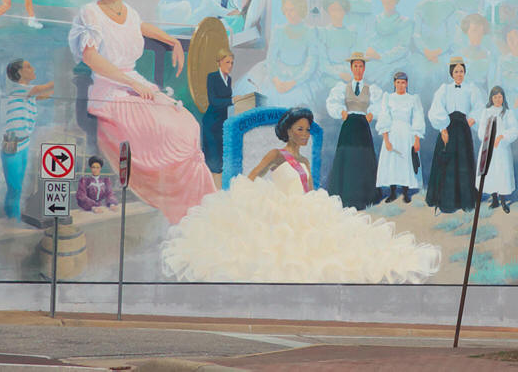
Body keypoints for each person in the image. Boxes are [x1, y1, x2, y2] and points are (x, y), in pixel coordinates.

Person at [160, 107, 442, 284]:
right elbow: (250, 178)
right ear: (288, 132)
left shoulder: (305, 163)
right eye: (300, 129)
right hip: (280, 211)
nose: (305, 134)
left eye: (307, 129)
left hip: (308, 210)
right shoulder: (277, 155)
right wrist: (255, 199)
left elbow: (307, 191)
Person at [68, 0, 215, 224]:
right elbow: (90, 57)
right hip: (109, 92)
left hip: (137, 85)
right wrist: (132, 83)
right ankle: (177, 201)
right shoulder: (91, 12)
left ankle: (196, 204)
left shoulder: (129, 12)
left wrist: (171, 41)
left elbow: (141, 26)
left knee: (188, 125)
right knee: (166, 131)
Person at [239, 0, 318, 106]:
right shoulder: (278, 30)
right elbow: (271, 58)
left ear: (300, 10)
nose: (288, 14)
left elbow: (311, 62)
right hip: (277, 73)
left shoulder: (310, 32)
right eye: (286, 10)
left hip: (299, 76)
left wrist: (293, 83)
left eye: (292, 10)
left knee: (296, 101)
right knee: (262, 96)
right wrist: (276, 81)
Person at [425, 57, 483, 213]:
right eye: (456, 71)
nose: (459, 74)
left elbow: (478, 107)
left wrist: (471, 120)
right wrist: (443, 129)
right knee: (447, 163)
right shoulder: (444, 89)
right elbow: (437, 108)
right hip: (448, 127)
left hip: (463, 129)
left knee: (463, 163)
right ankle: (446, 200)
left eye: (462, 71)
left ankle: (463, 200)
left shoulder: (471, 89)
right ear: (451, 73)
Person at [326, 52, 383, 210]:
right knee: (348, 158)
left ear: (364, 68)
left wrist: (372, 113)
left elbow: (379, 104)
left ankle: (364, 197)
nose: (358, 69)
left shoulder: (370, 89)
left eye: (361, 66)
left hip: (363, 126)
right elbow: (332, 103)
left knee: (363, 159)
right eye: (355, 66)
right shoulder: (343, 88)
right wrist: (341, 112)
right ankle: (346, 196)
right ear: (351, 68)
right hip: (349, 126)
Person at [0, 59, 53, 220]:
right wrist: (58, 80)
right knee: (14, 187)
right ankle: (12, 219)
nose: (33, 69)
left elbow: (41, 95)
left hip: (24, 144)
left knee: (18, 186)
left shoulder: (26, 94)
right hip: (13, 145)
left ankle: (14, 217)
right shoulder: (17, 89)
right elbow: (40, 89)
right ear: (19, 72)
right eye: (29, 67)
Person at [375, 72, 425, 204]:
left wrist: (417, 139)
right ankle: (392, 192)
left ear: (407, 83)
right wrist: (386, 139)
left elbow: (418, 118)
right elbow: (384, 117)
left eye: (403, 82)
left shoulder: (413, 99)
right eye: (398, 82)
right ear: (394, 83)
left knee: (406, 161)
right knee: (392, 161)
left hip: (407, 133)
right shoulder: (388, 98)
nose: (401, 85)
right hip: (393, 133)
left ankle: (405, 191)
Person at [413, 0, 459, 98]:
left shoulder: (449, 6)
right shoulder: (420, 6)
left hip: (442, 54)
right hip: (424, 55)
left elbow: (451, 35)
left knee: (441, 81)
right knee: (420, 79)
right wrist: (426, 51)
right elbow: (417, 33)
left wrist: (437, 52)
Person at [475, 86, 518, 214]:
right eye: (495, 97)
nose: (498, 99)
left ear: (503, 97)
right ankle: (494, 199)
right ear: (491, 98)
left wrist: (502, 136)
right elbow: (481, 129)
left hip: (501, 148)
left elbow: (513, 130)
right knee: (491, 172)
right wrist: (488, 138)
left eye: (500, 97)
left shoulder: (508, 113)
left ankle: (503, 200)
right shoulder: (486, 112)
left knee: (502, 172)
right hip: (488, 147)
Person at [364, 0, 413, 83]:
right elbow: (370, 43)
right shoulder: (374, 21)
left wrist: (381, 56)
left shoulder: (405, 22)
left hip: (396, 62)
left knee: (390, 76)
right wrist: (373, 53)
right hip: (375, 61)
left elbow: (403, 47)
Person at [201, 48, 234, 188]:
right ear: (220, 62)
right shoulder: (212, 77)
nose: (230, 65)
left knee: (221, 162)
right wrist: (232, 100)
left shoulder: (229, 79)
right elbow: (214, 101)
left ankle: (218, 192)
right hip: (211, 124)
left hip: (222, 124)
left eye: (232, 63)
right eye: (227, 62)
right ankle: (212, 191)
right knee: (213, 162)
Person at [317, 0, 357, 90]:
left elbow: (355, 58)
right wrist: (339, 74)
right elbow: (323, 64)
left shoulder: (351, 33)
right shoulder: (324, 33)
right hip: (329, 76)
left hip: (349, 74)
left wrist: (350, 74)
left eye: (339, 10)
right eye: (333, 10)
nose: (336, 13)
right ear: (328, 11)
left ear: (344, 11)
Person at [458, 14, 493, 93]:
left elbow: (492, 84)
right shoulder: (459, 55)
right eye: (474, 31)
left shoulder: (488, 56)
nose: (478, 35)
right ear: (467, 31)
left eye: (481, 31)